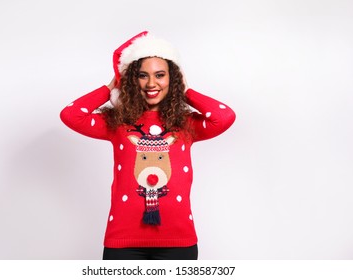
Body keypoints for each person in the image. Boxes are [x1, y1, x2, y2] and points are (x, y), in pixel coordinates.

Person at [60, 31, 236, 260]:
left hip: (178, 241)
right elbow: (71, 115)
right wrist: (110, 87)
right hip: (123, 241)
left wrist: (186, 92)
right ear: (132, 80)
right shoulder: (118, 122)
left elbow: (224, 117)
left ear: (173, 79)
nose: (151, 83)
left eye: (160, 75)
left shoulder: (185, 124)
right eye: (142, 75)